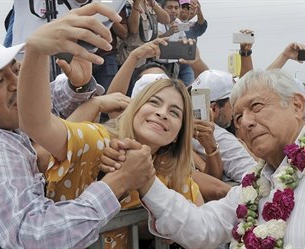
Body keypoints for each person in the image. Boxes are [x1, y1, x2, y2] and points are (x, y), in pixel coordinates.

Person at [0, 4, 154, 248]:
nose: (16, 84)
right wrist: (119, 181)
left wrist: (77, 86)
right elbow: (32, 234)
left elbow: (40, 100)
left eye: (16, 69)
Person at [130, 69, 305, 248]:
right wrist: (146, 181)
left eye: (256, 107)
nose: (246, 123)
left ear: (297, 105)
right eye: (238, 117)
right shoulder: (255, 183)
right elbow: (201, 226)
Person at [18, 18, 203, 249]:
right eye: (153, 102)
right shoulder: (99, 140)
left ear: (178, 134)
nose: (162, 113)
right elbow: (38, 125)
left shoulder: (171, 169)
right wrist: (36, 51)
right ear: (134, 109)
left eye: (175, 112)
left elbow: (198, 227)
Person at [191, 69, 257, 183]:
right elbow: (255, 179)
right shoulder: (221, 137)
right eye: (233, 103)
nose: (236, 109)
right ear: (214, 108)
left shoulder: (187, 126)